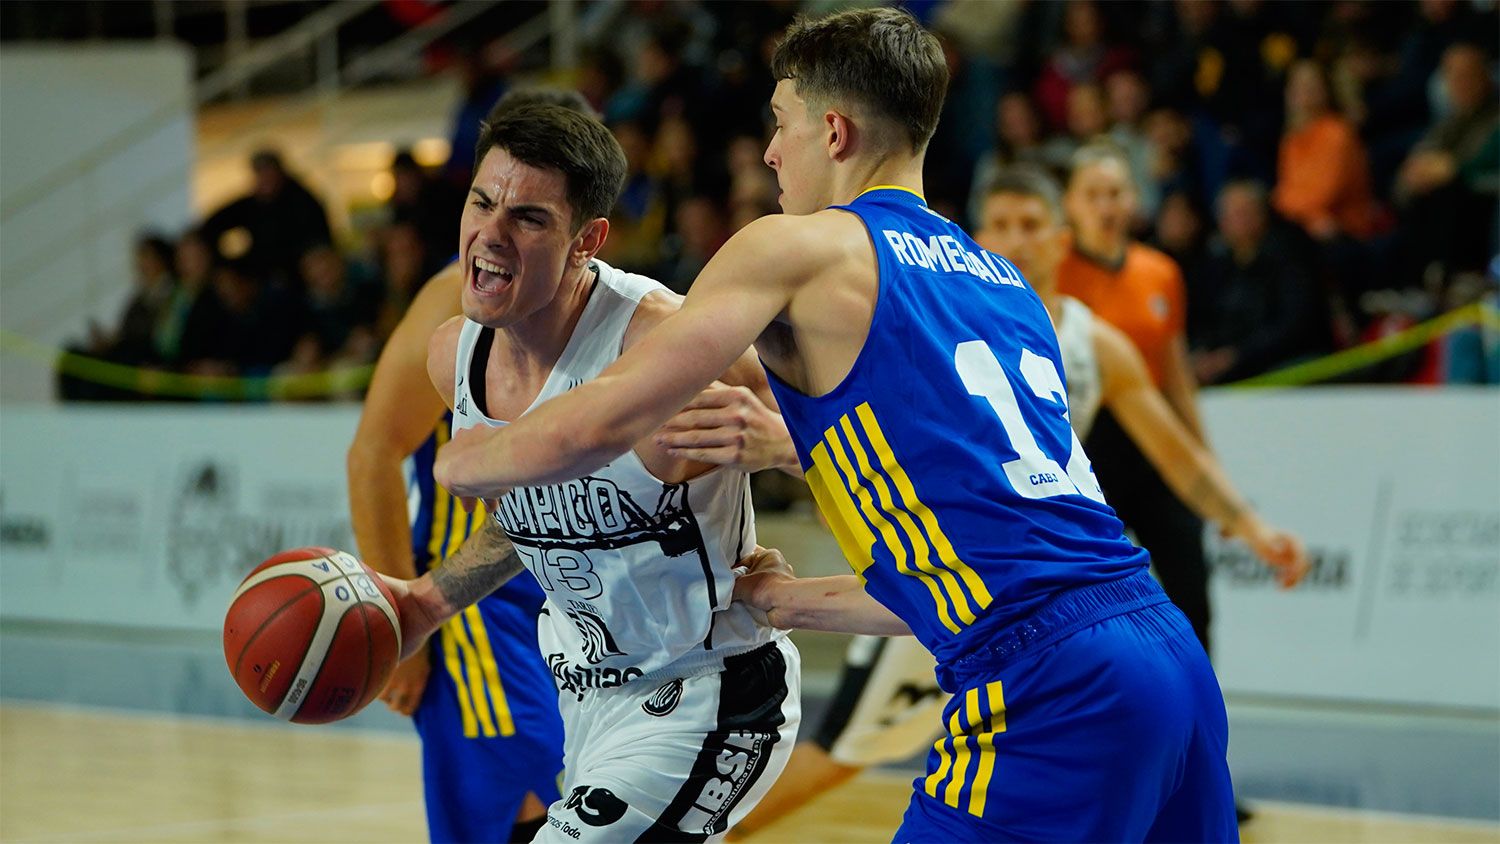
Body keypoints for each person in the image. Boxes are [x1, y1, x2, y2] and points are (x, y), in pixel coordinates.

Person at [407, 9, 1241, 841]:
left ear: (833, 131)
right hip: (1163, 648)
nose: (772, 152)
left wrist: (466, 457)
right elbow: (990, 558)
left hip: (1043, 684)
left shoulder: (794, 249)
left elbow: (602, 417)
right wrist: (785, 597)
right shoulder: (1004, 283)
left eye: (781, 123)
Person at [725, 166, 1310, 839]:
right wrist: (787, 448)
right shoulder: (931, 308)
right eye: (1000, 225)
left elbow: (1176, 455)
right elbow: (903, 449)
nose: (1015, 238)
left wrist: (1250, 526)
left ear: (1062, 238)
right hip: (966, 581)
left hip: (1042, 597)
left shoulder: (1094, 342)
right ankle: (719, 827)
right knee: (843, 751)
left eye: (1030, 224)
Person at [385, 101, 803, 842]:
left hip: (711, 691)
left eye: (529, 218)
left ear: (588, 241)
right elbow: (540, 515)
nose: (491, 233)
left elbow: (862, 449)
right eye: (482, 203)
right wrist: (429, 602)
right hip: (586, 699)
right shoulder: (456, 356)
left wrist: (788, 454)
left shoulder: (666, 345)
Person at [347, 88, 623, 844]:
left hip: (569, 603)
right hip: (478, 610)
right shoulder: (454, 297)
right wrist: (400, 625)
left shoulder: (595, 298)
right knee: (531, 806)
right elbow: (372, 455)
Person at [1056, 141, 1222, 654]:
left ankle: (1198, 694)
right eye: (1092, 194)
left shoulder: (1160, 272)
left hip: (1153, 441)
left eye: (1115, 193)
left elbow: (1175, 375)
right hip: (1084, 442)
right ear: (1070, 203)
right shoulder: (1050, 268)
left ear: (1133, 199)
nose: (1105, 206)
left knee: (1191, 587)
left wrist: (1201, 458)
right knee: (1084, 590)